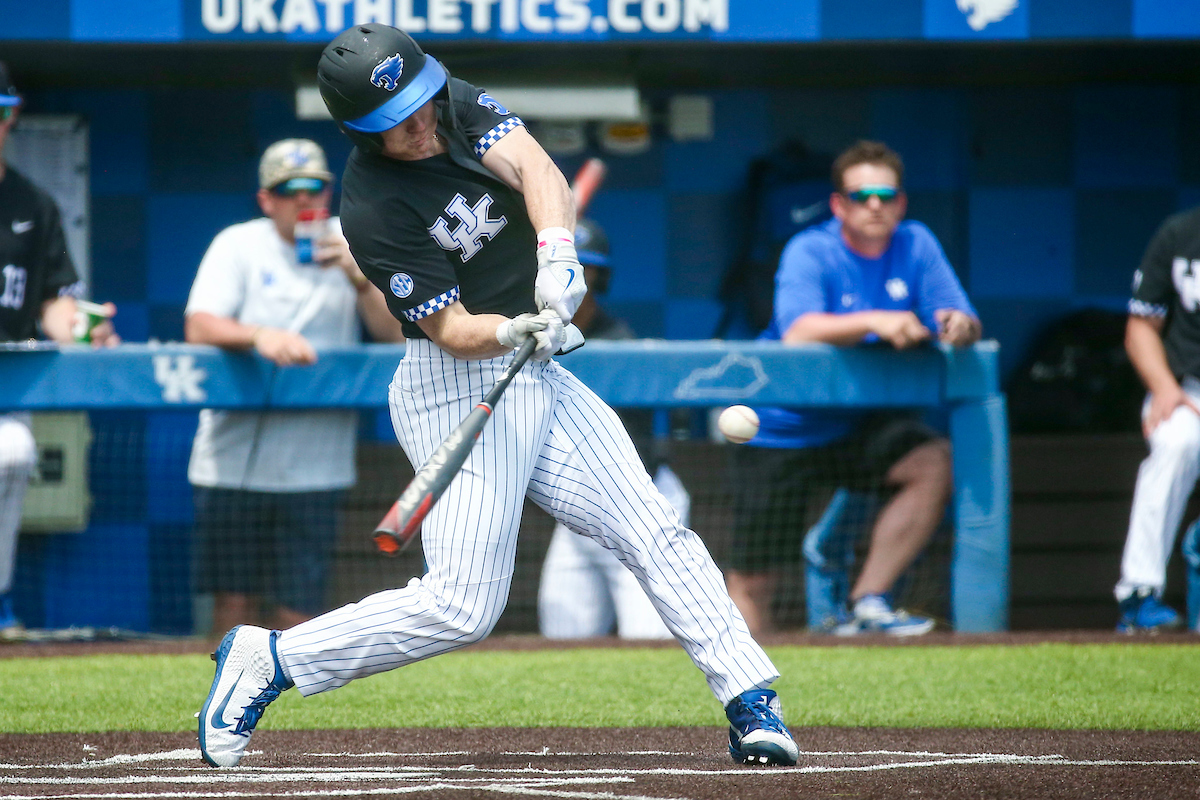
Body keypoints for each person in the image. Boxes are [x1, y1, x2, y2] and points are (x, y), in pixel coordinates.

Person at [197, 24, 797, 770]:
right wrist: (516, 327)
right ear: (359, 129)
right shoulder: (371, 208)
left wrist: (557, 256)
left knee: (653, 526)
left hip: (538, 372)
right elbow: (450, 328)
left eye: (421, 105)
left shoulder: (450, 101)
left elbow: (537, 169)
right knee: (461, 606)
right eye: (399, 121)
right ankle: (274, 659)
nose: (421, 124)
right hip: (455, 382)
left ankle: (750, 700)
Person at [726, 139, 981, 637]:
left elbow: (964, 318)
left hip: (854, 424)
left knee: (933, 461)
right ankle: (747, 685)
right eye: (861, 196)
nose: (874, 205)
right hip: (778, 427)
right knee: (754, 578)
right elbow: (798, 331)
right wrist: (878, 320)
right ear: (839, 204)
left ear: (900, 203)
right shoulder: (810, 249)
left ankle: (869, 600)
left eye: (886, 195)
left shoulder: (917, 243)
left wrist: (958, 325)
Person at [184, 138, 405, 638]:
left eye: (315, 188)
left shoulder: (355, 240)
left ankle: (286, 717)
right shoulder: (238, 243)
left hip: (315, 466)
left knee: (298, 614)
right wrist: (259, 335)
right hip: (233, 462)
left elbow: (394, 335)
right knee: (232, 609)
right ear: (267, 198)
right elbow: (199, 325)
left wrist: (360, 278)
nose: (304, 200)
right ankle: (226, 707)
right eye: (289, 190)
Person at [0, 61, 120, 636]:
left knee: (14, 452)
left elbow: (52, 302)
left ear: (12, 116)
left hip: (8, 382)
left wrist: (80, 327)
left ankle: (0, 599)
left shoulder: (33, 204)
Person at [537, 218, 686, 641]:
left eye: (585, 273)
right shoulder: (532, 337)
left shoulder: (621, 343)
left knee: (648, 640)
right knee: (561, 638)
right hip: (577, 512)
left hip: (635, 506)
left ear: (597, 280)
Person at [1112, 205, 1200, 633]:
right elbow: (1141, 325)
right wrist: (1164, 386)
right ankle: (1139, 593)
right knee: (1176, 442)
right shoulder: (1181, 232)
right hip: (1189, 389)